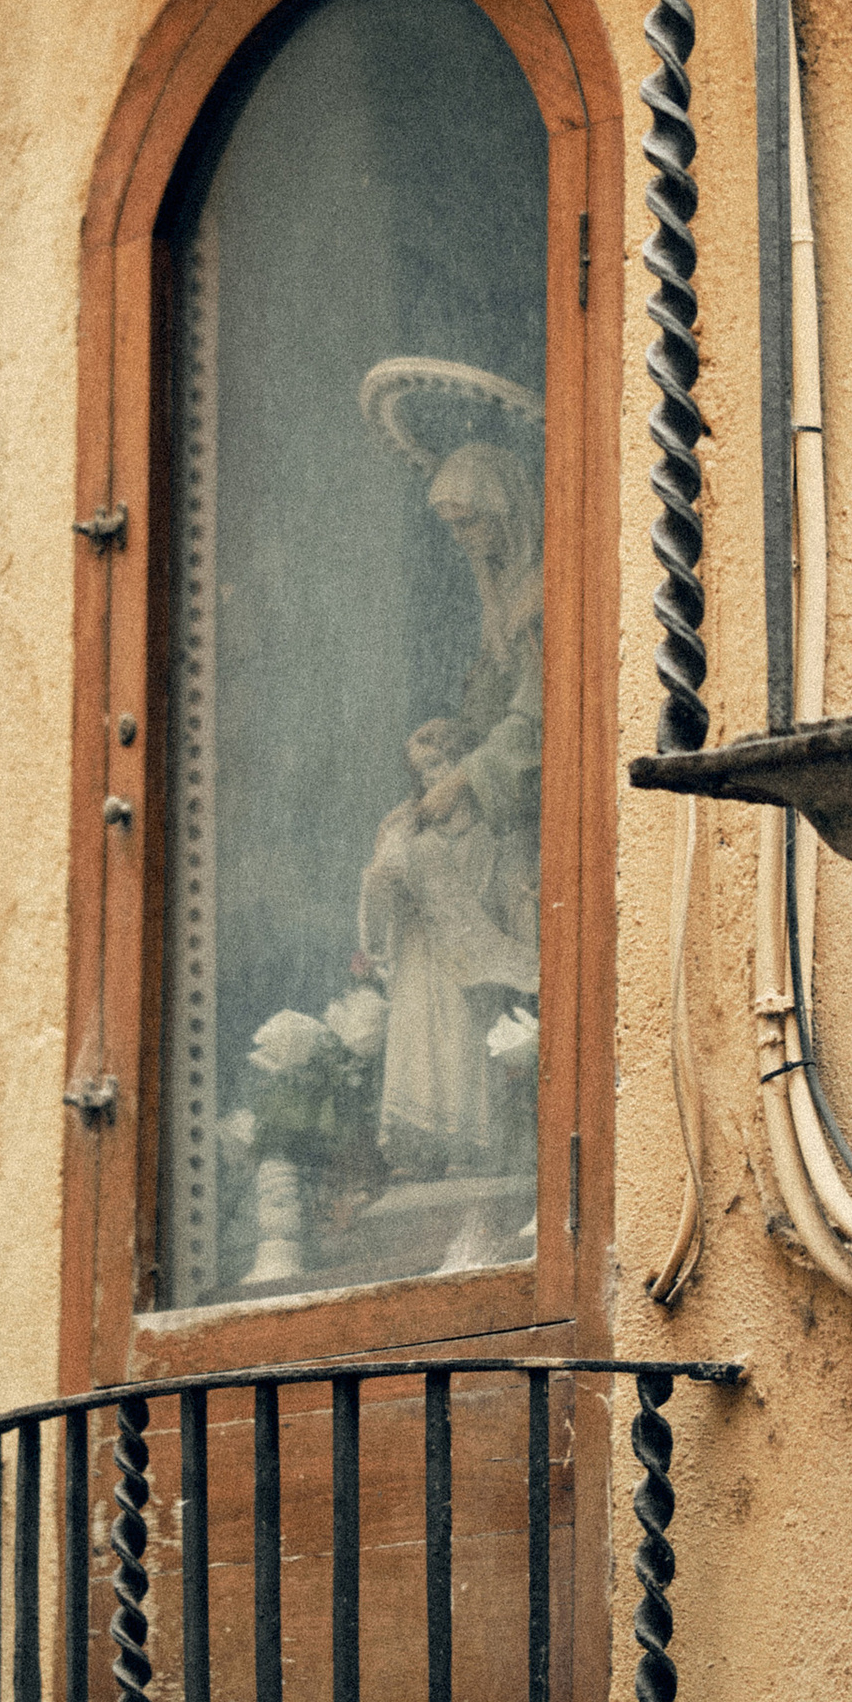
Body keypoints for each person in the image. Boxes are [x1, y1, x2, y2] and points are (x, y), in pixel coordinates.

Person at [356, 440, 541, 1168]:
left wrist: (462, 780)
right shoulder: (502, 598)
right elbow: (508, 718)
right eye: (454, 528)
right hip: (491, 823)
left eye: (472, 523)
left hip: (517, 835)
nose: (465, 540)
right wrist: (460, 738)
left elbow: (536, 725)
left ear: (505, 511)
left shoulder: (537, 599)